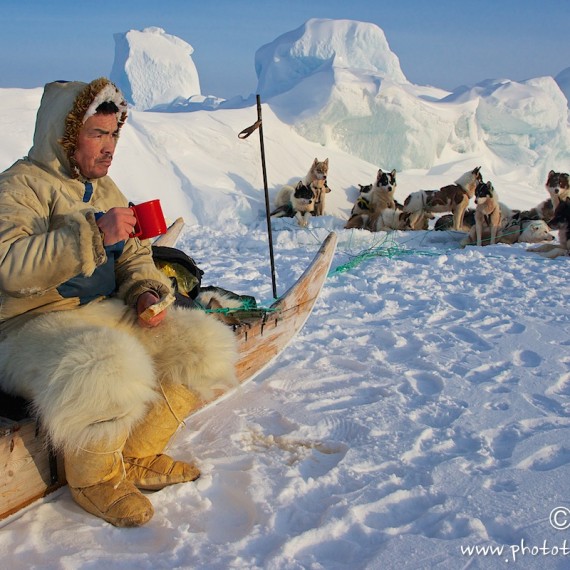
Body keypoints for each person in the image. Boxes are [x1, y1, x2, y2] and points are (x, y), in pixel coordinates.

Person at [0, 78, 238, 527]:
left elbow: (135, 256)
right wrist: (92, 235)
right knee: (105, 366)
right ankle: (95, 480)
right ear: (66, 136)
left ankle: (138, 455)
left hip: (99, 317)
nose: (110, 148)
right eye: (97, 135)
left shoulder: (106, 188)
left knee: (199, 343)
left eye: (114, 136)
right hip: (28, 328)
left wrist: (145, 290)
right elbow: (10, 266)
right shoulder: (20, 186)